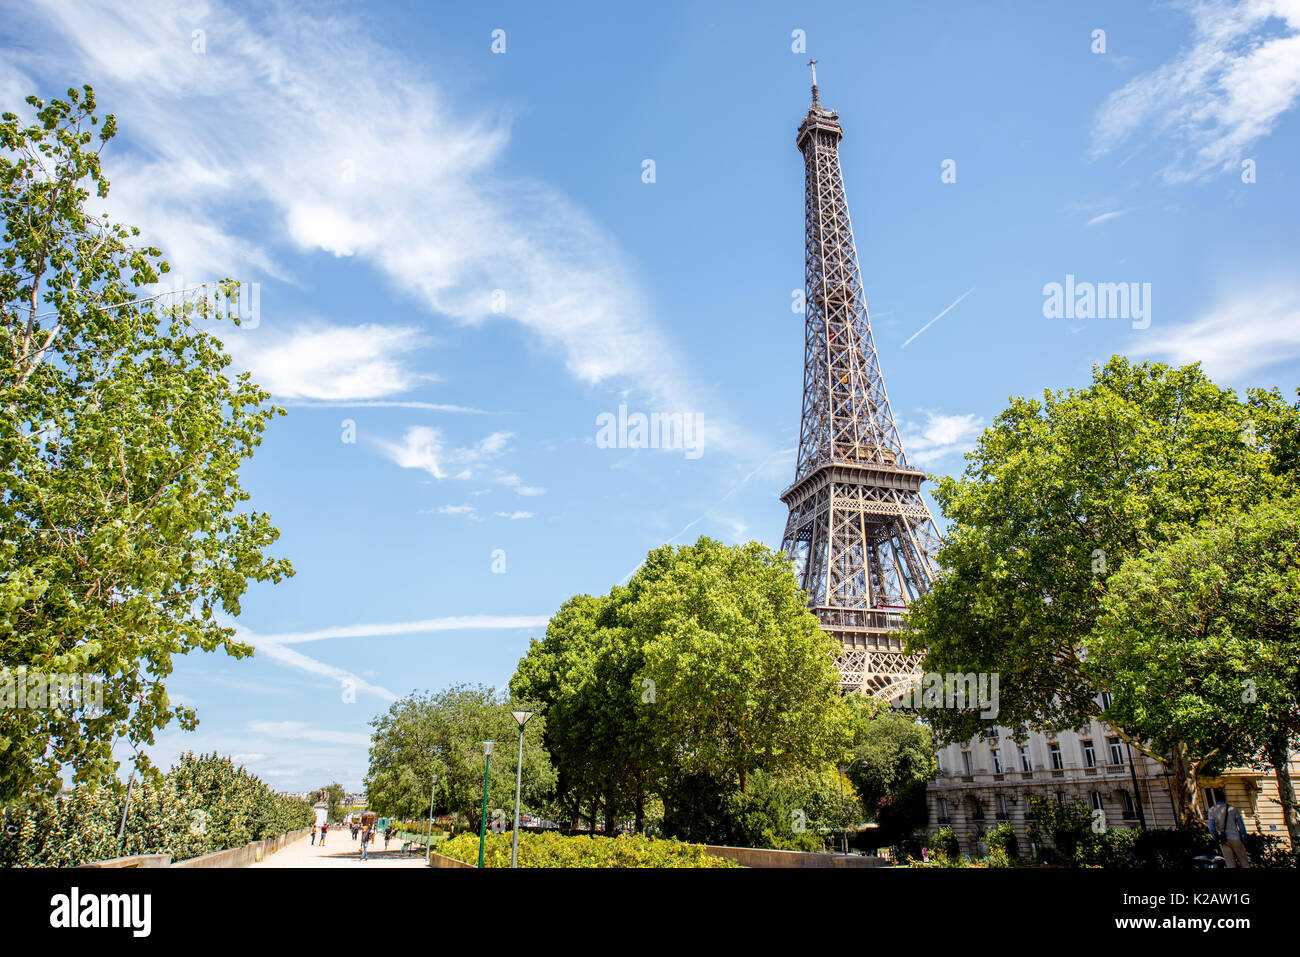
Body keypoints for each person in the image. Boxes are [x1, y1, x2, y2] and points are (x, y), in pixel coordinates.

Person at [1208, 798, 1252, 868]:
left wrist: (1215, 837)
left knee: (1230, 864)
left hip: (1223, 839)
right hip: (1235, 837)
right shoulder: (1233, 809)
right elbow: (1241, 825)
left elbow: (1211, 827)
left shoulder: (1212, 810)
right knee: (1244, 862)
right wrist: (1244, 837)